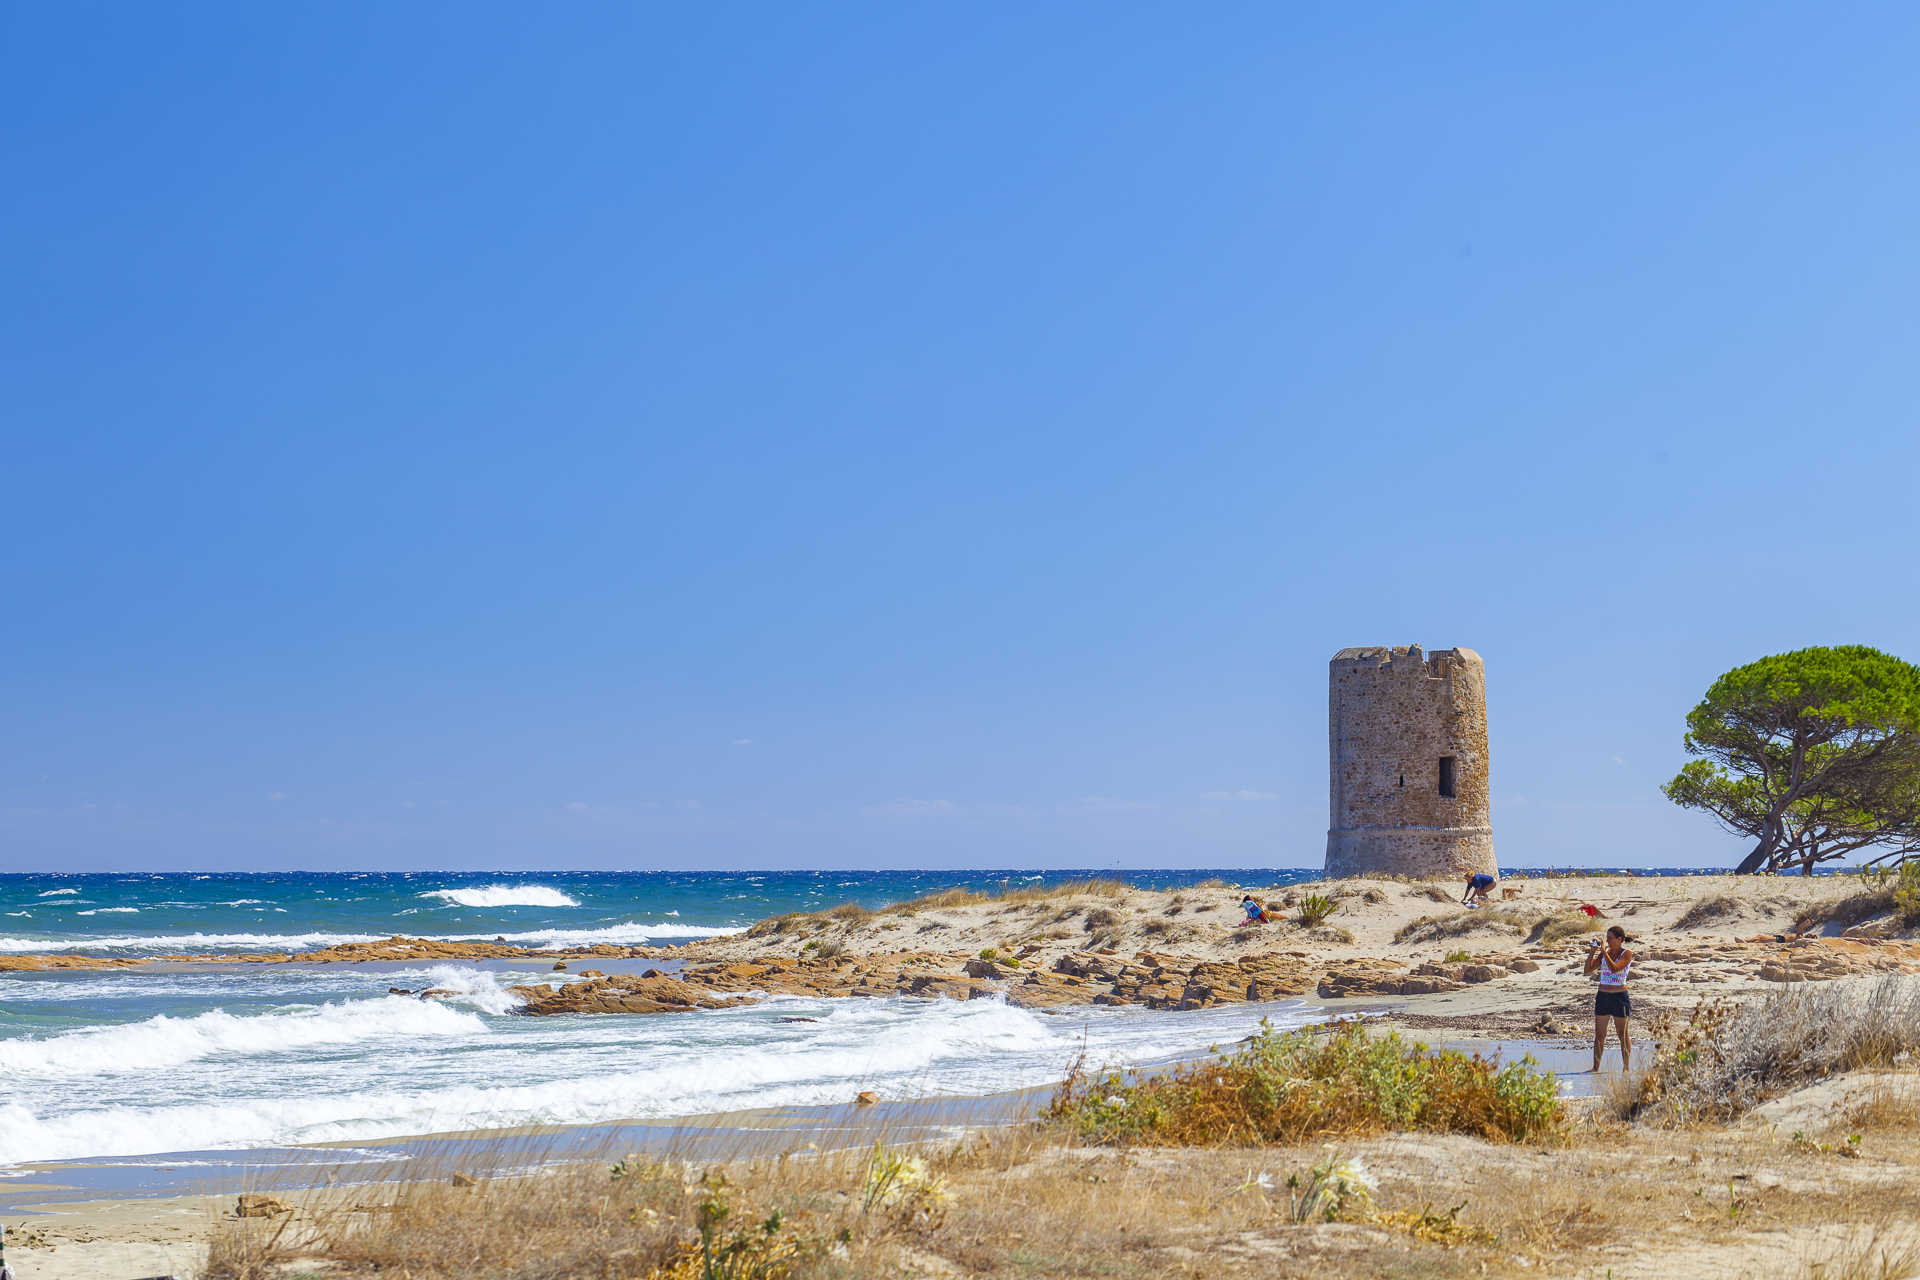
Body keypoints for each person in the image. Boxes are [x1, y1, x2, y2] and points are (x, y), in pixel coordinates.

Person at [1582, 925, 1634, 1072]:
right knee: (1599, 1034)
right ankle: (1595, 1067)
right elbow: (1587, 970)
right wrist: (1592, 952)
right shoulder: (1606, 953)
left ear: (1619, 939)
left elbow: (1615, 968)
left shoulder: (1627, 953)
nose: (1607, 941)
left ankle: (1625, 1067)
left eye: (1610, 938)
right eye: (1607, 938)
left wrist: (1604, 950)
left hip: (1619, 997)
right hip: (1603, 996)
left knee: (1622, 1034)